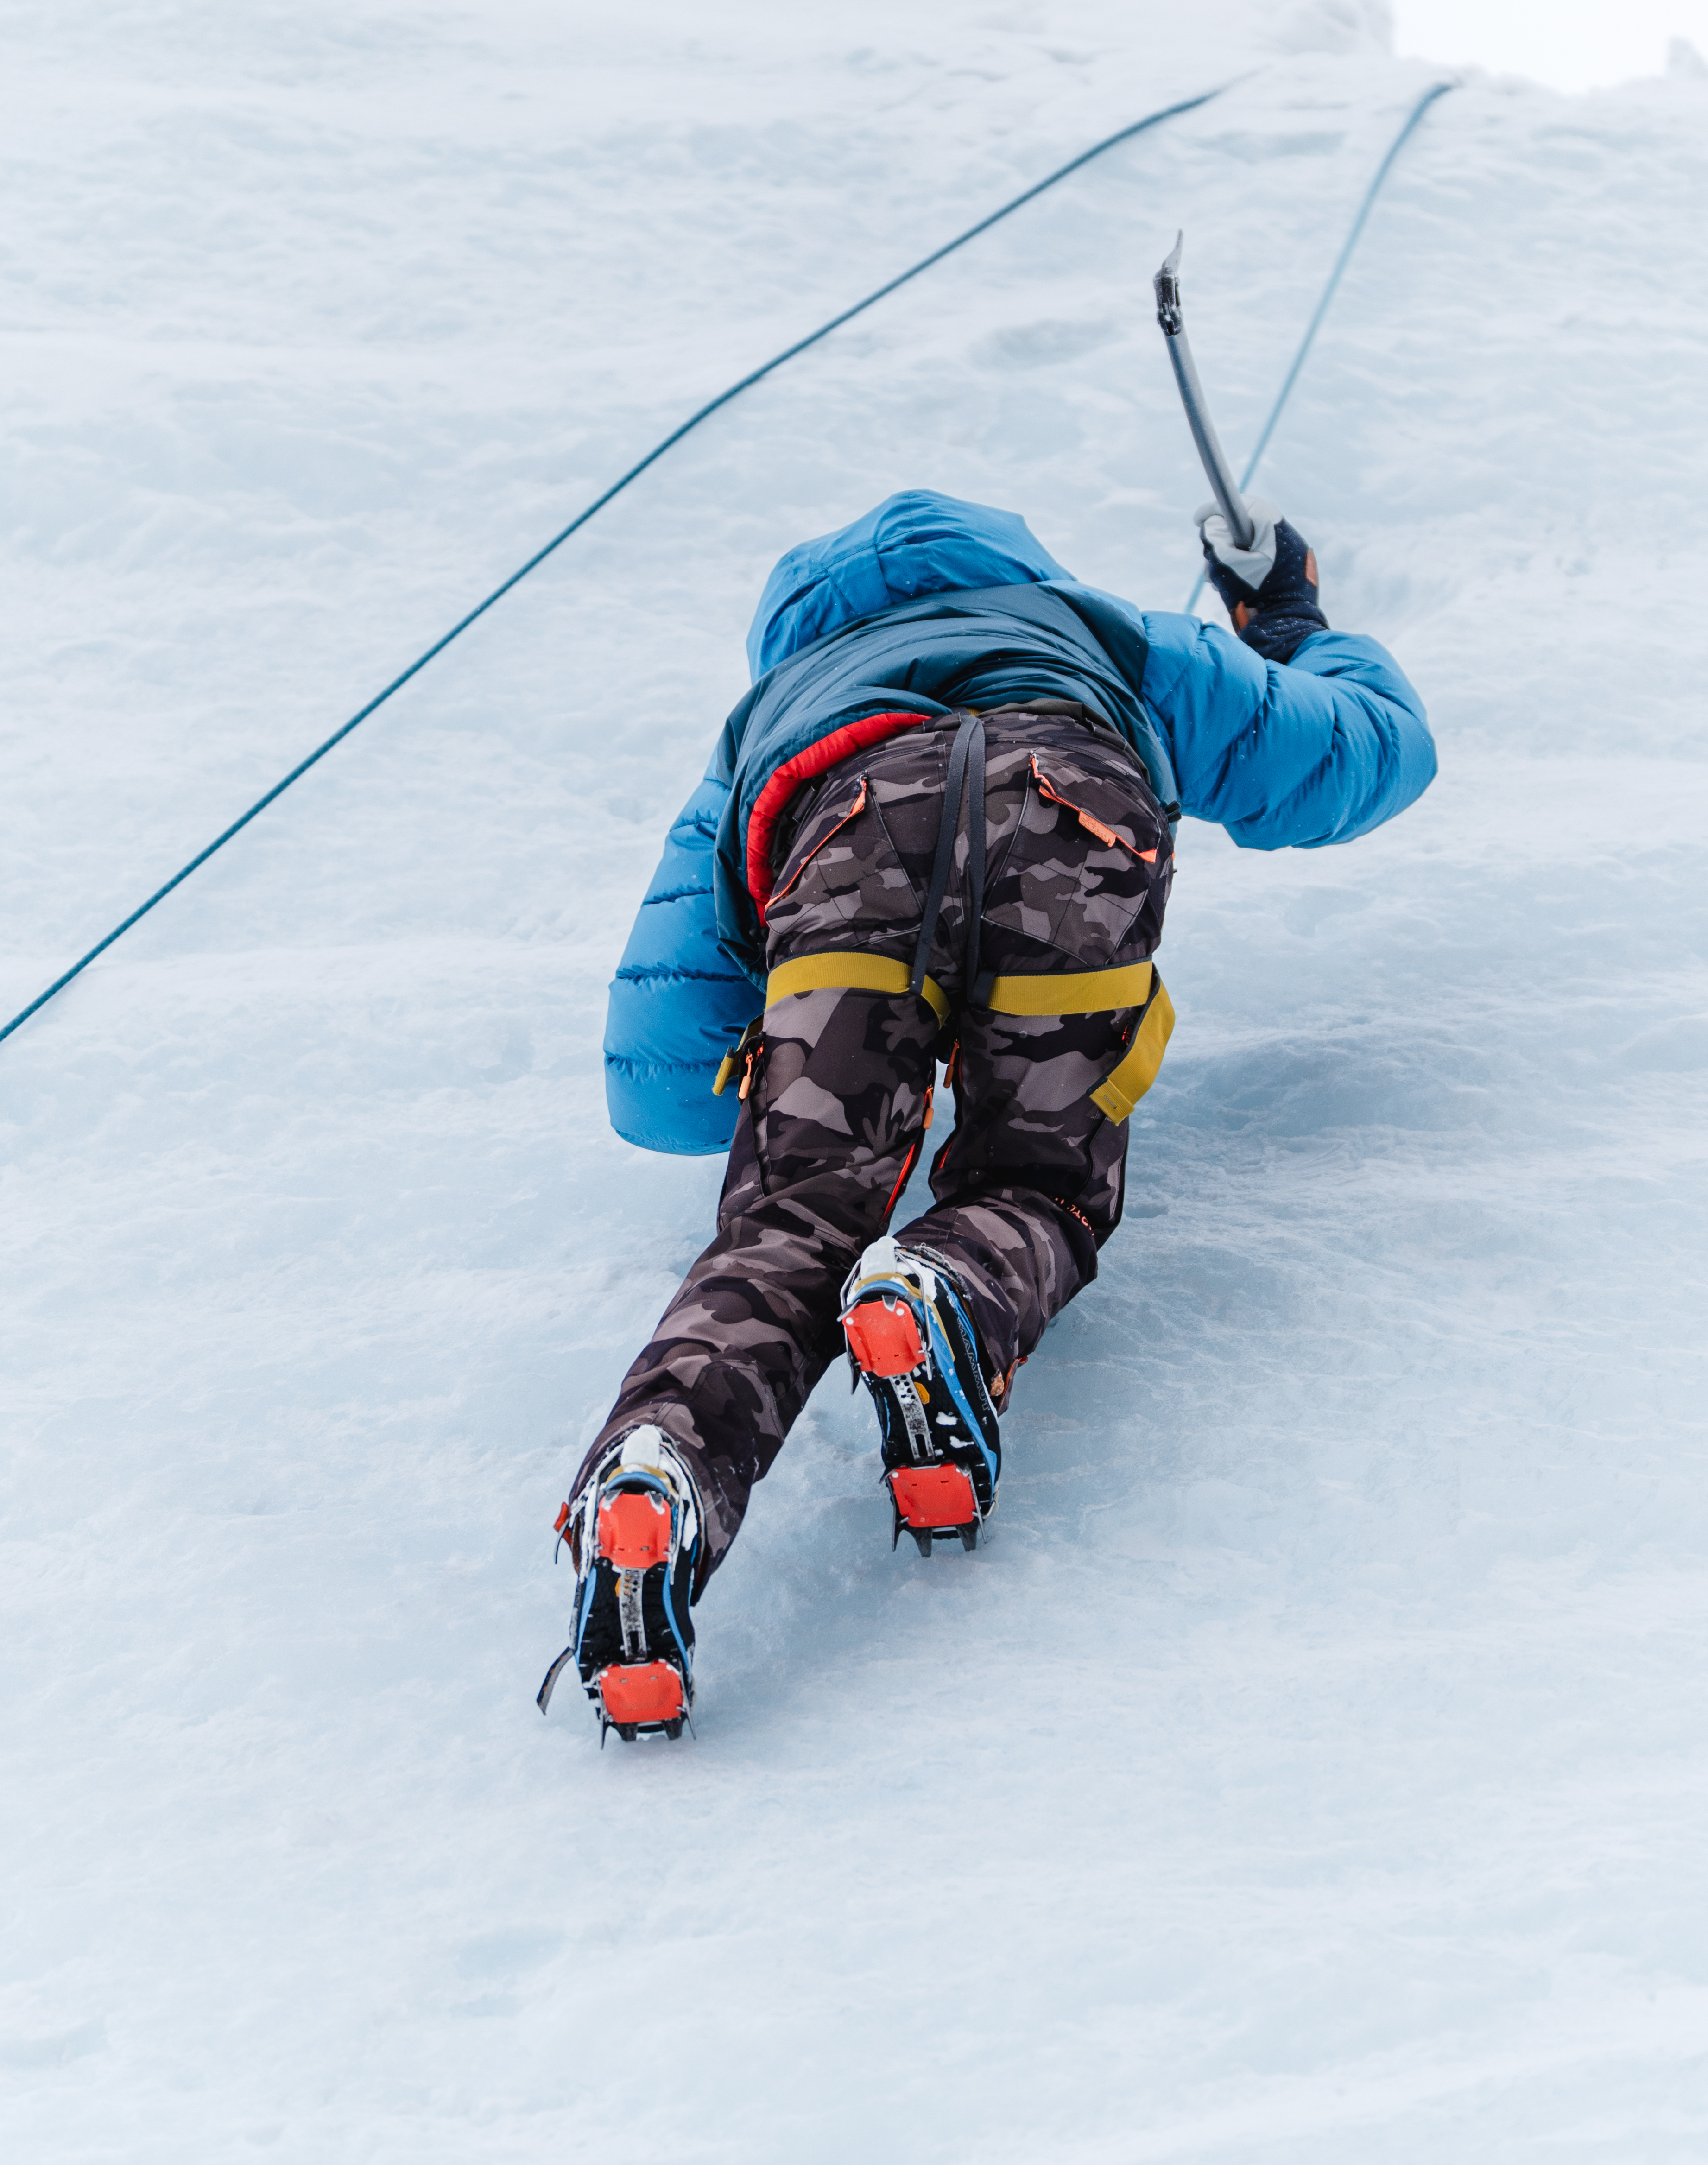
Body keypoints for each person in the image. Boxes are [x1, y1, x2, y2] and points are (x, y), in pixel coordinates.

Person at [540, 489, 1434, 1738]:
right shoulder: (1095, 630)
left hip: (840, 824)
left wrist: (809, 1055)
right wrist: (1287, 620)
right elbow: (1370, 752)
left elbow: (657, 1084)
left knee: (788, 1228)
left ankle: (663, 1471)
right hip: (1072, 803)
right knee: (1037, 1177)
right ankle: (948, 1287)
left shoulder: (772, 715)